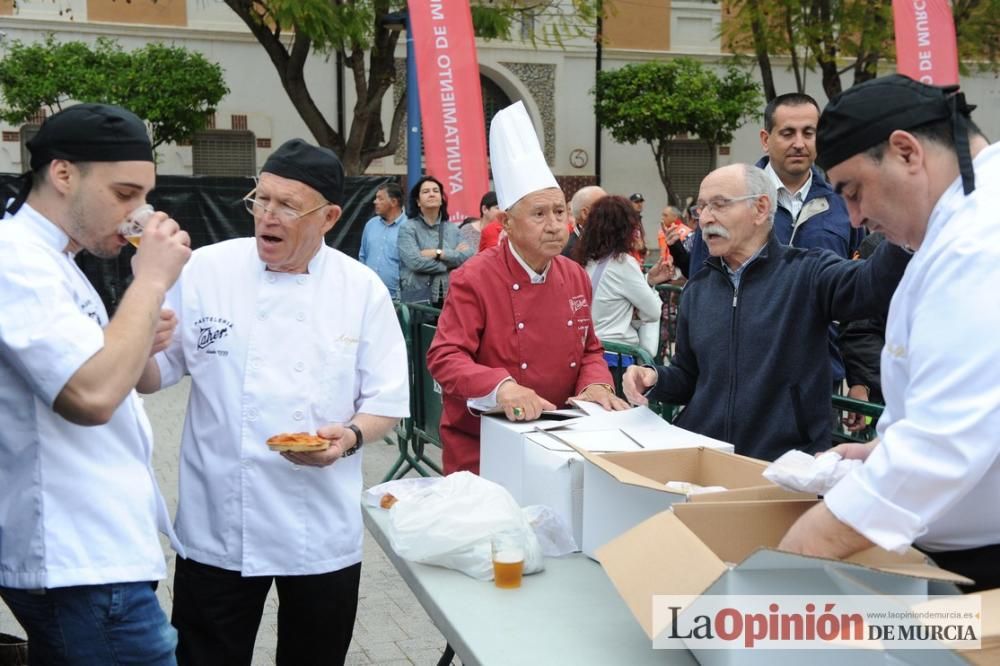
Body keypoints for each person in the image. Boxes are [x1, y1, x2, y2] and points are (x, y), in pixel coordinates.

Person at [138, 138, 409, 664]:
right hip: (218, 520)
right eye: (261, 200)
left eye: (288, 205)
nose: (268, 215)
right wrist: (140, 342)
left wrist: (350, 437)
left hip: (320, 526)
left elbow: (387, 402)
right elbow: (154, 379)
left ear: (329, 216)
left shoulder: (362, 290)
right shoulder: (204, 271)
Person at [778, 75, 1000, 592]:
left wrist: (795, 555)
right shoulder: (958, 226)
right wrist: (882, 451)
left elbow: (942, 446)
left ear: (906, 152)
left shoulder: (977, 244)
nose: (857, 217)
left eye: (854, 192)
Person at [0, 103, 191, 664]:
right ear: (63, 174)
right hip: (78, 558)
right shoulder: (17, 260)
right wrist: (151, 282)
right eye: (125, 193)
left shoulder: (53, 259)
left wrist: (129, 341)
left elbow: (92, 370)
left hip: (93, 556)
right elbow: (90, 396)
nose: (139, 213)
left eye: (145, 196)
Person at [621, 163, 909, 462]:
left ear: (760, 208)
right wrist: (654, 377)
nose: (705, 218)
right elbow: (689, 377)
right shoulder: (698, 289)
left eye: (719, 205)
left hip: (783, 466)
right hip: (708, 462)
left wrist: (908, 223)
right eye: (701, 208)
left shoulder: (807, 273)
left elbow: (872, 283)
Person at [427, 101, 628, 474]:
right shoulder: (475, 277)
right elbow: (444, 357)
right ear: (506, 222)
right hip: (484, 444)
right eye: (539, 214)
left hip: (560, 440)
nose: (554, 225)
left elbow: (589, 350)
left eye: (559, 211)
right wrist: (502, 387)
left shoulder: (574, 275)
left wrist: (597, 385)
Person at [575, 195, 673, 357]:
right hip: (617, 354)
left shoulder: (587, 260)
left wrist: (648, 280)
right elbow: (653, 312)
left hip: (588, 350)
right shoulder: (623, 263)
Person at [397, 175, 472, 305]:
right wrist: (450, 264)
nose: (431, 194)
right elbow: (415, 262)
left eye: (435, 191)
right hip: (419, 298)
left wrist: (438, 253)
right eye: (426, 192)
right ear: (418, 201)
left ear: (441, 199)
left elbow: (469, 256)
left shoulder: (452, 228)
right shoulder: (408, 228)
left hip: (450, 297)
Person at [359, 182, 405, 298]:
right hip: (368, 295)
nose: (375, 202)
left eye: (380, 198)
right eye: (375, 198)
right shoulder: (371, 224)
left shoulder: (410, 227)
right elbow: (363, 256)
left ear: (394, 202)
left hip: (397, 299)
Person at [561, 184, 606, 259]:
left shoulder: (608, 239)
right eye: (605, 206)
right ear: (585, 213)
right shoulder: (570, 251)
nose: (611, 210)